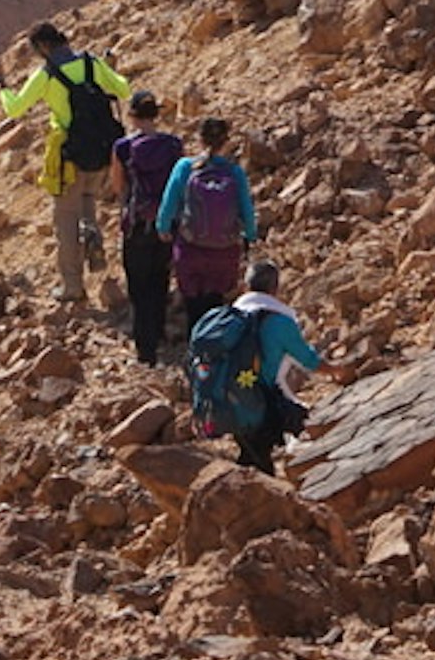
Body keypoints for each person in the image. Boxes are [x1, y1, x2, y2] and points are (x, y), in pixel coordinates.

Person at [0, 22, 134, 310]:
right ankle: (93, 238)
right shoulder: (91, 62)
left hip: (69, 156)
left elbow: (15, 109)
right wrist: (110, 68)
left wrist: (2, 86)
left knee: (65, 220)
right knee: (87, 203)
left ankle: (73, 286)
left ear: (43, 47)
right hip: (99, 155)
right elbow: (123, 89)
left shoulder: (46, 74)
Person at [190, 260, 324, 474]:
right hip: (257, 404)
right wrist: (338, 370)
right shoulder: (280, 321)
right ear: (275, 288)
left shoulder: (227, 319)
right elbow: (309, 361)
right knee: (261, 460)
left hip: (227, 400)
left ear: (246, 286)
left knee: (252, 453)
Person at [110, 90, 187, 368]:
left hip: (137, 226)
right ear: (156, 114)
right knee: (159, 279)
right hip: (167, 224)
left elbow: (117, 186)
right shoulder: (174, 145)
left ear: (131, 115)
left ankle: (146, 348)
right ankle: (160, 333)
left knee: (138, 285)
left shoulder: (122, 147)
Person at [159, 116, 257, 322]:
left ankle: (194, 348)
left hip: (190, 248)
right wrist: (250, 235)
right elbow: (246, 209)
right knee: (217, 306)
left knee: (193, 307)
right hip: (225, 252)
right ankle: (213, 349)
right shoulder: (235, 172)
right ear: (226, 141)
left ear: (200, 139)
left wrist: (163, 227)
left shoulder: (186, 167)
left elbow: (169, 203)